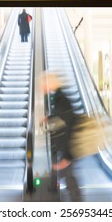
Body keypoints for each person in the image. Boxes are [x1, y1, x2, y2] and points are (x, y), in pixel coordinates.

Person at [41, 72, 82, 202]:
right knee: (66, 176)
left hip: (67, 147)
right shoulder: (58, 98)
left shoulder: (61, 99)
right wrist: (50, 118)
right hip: (63, 147)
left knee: (70, 179)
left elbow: (67, 125)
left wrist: (67, 156)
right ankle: (55, 191)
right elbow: (63, 119)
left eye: (44, 84)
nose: (42, 87)